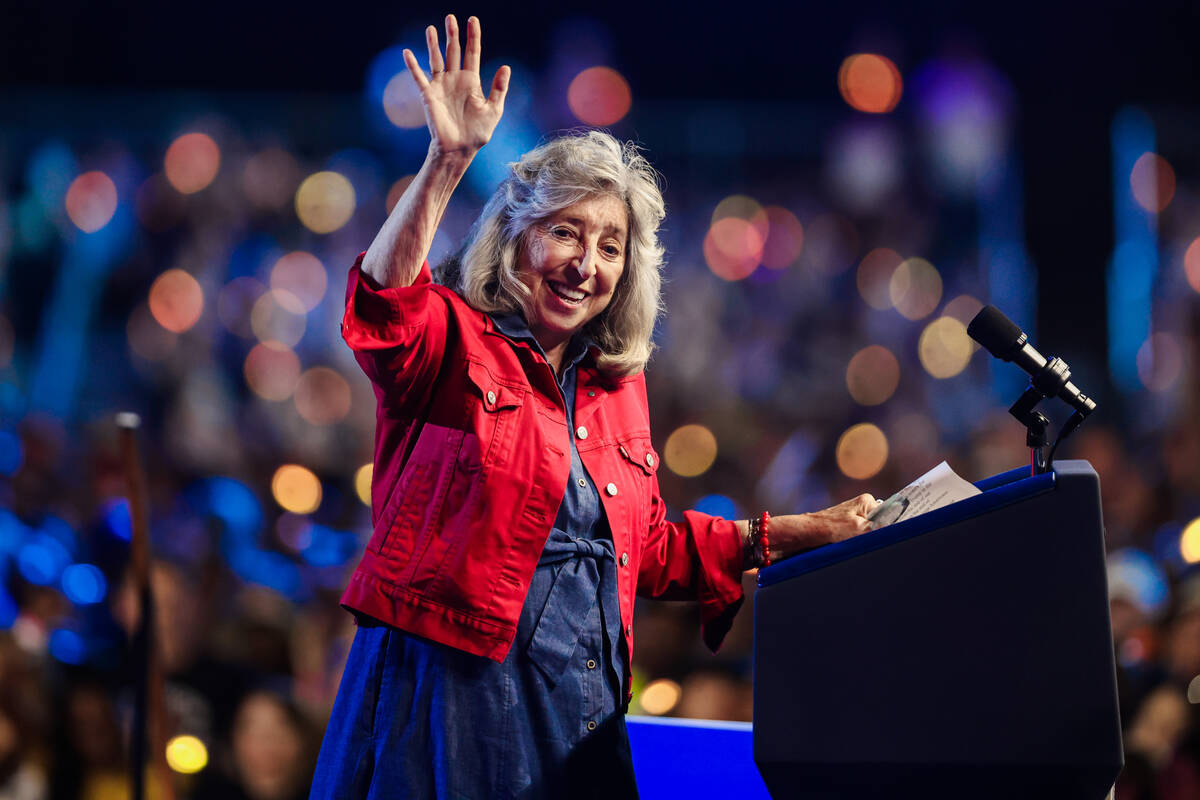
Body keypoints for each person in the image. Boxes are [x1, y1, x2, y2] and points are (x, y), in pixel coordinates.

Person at [310, 15, 879, 799]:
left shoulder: (616, 384)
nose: (587, 264)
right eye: (566, 233)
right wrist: (447, 163)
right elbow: (382, 307)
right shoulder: (452, 340)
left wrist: (784, 535)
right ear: (514, 240)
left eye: (610, 246)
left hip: (583, 698)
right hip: (453, 704)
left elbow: (642, 548)